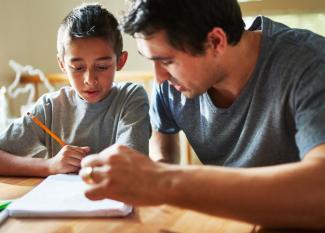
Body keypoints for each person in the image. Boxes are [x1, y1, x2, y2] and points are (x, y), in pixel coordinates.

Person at [79, 0, 325, 229]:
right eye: (151, 60)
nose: (158, 78)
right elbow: (163, 147)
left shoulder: (310, 65)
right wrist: (154, 174)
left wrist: (161, 181)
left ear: (216, 41)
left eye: (166, 60)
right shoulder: (170, 84)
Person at [0, 3, 150, 177]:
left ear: (120, 61)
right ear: (62, 64)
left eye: (102, 66)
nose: (90, 80)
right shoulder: (50, 107)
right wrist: (48, 166)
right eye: (78, 67)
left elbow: (130, 165)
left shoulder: (131, 98)